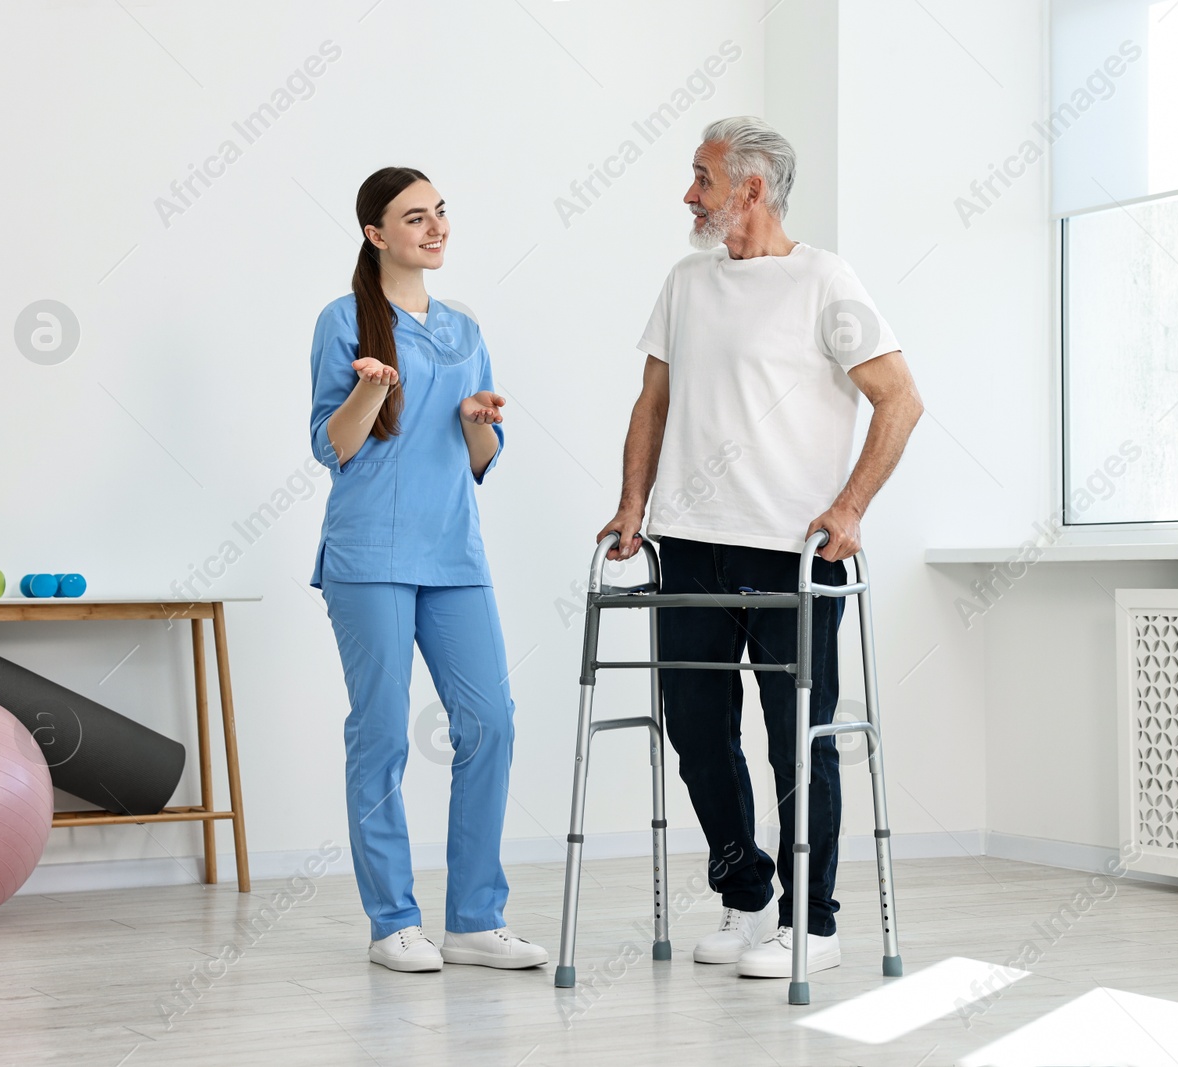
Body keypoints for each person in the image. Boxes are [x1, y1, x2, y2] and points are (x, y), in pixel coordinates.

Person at [598, 117, 923, 979]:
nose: (688, 194)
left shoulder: (826, 281)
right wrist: (634, 502)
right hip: (690, 546)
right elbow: (652, 401)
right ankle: (747, 897)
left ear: (750, 188)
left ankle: (812, 922)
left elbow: (899, 399)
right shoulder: (686, 281)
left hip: (790, 551)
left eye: (701, 178)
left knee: (797, 739)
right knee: (698, 731)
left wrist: (851, 506)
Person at [309, 166, 546, 973]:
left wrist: (478, 420)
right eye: (416, 217)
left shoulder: (464, 329)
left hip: (455, 556)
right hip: (370, 555)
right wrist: (372, 389)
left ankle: (476, 916)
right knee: (380, 735)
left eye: (441, 211)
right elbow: (334, 446)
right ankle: (393, 922)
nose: (435, 226)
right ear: (377, 233)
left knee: (492, 723)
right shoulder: (343, 322)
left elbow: (480, 456)